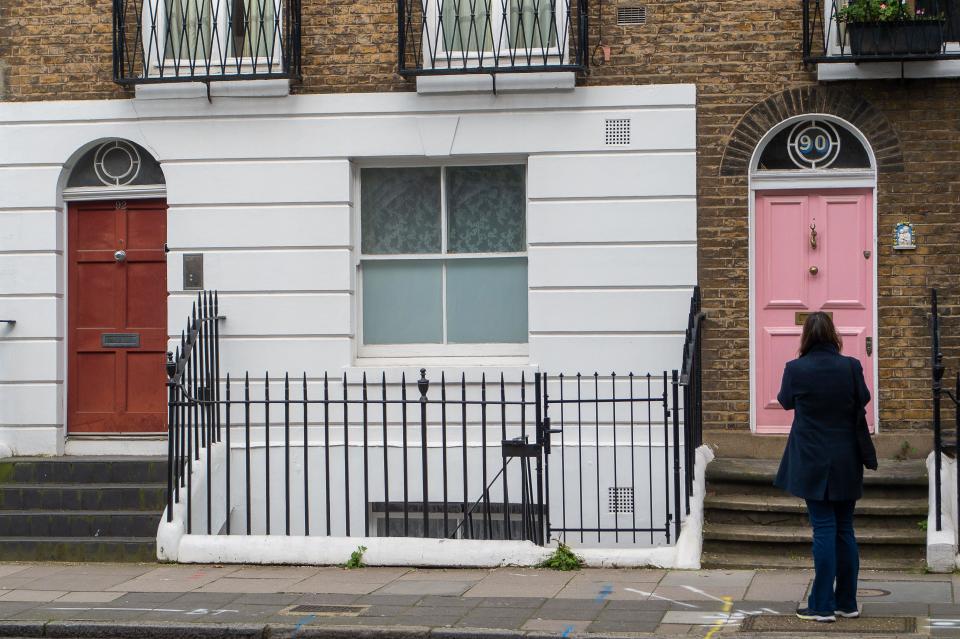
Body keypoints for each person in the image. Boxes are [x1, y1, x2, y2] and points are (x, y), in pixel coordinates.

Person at [773, 311, 872, 623]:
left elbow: (785, 400)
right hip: (847, 458)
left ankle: (821, 605)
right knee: (845, 528)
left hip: (813, 460)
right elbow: (864, 398)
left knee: (824, 529)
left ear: (806, 337)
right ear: (834, 335)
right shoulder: (851, 367)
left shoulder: (796, 369)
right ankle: (847, 602)